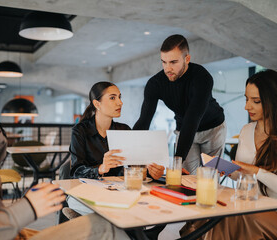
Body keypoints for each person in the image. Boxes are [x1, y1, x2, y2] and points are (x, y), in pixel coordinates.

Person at [0, 43, 130, 240]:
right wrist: (27, 207)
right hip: (6, 232)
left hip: (8, 232)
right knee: (108, 226)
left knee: (107, 222)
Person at [180, 70, 277, 239]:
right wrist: (224, 168)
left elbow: (251, 172)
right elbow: (240, 174)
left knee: (228, 217)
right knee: (210, 211)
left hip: (270, 210)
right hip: (248, 203)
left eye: (256, 101)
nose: (247, 107)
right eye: (246, 99)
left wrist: (256, 171)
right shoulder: (247, 131)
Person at [133, 34, 226, 174]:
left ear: (187, 59)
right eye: (164, 62)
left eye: (173, 62)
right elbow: (144, 120)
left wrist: (177, 160)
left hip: (212, 128)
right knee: (186, 176)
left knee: (210, 176)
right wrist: (130, 152)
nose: (167, 68)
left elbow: (192, 118)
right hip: (184, 129)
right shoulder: (155, 84)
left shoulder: (202, 77)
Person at [70, 81, 165, 180]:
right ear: (97, 104)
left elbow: (135, 167)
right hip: (89, 190)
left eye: (119, 97)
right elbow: (76, 172)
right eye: (112, 98)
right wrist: (101, 168)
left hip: (119, 189)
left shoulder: (124, 130)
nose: (120, 102)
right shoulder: (80, 131)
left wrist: (151, 172)